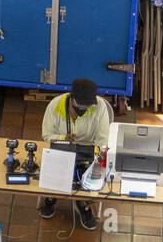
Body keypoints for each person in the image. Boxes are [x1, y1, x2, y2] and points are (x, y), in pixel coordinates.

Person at [39, 77, 114, 231]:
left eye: (87, 106)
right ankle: (51, 197)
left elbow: (102, 140)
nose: (83, 109)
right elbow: (46, 135)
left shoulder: (99, 107)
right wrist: (62, 138)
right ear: (71, 99)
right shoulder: (55, 105)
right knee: (54, 173)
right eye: (79, 106)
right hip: (61, 148)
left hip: (88, 151)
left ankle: (83, 203)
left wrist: (97, 161)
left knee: (89, 178)